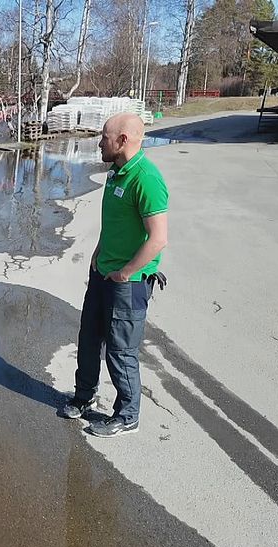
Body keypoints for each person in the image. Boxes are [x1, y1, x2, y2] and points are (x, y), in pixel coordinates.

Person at [61, 112, 169, 437]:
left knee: (121, 350)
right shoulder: (116, 172)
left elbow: (158, 238)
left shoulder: (145, 178)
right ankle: (85, 395)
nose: (99, 142)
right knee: (89, 338)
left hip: (128, 283)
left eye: (104, 137)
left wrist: (127, 272)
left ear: (122, 140)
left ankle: (127, 415)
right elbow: (116, 223)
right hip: (103, 273)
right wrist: (98, 252)